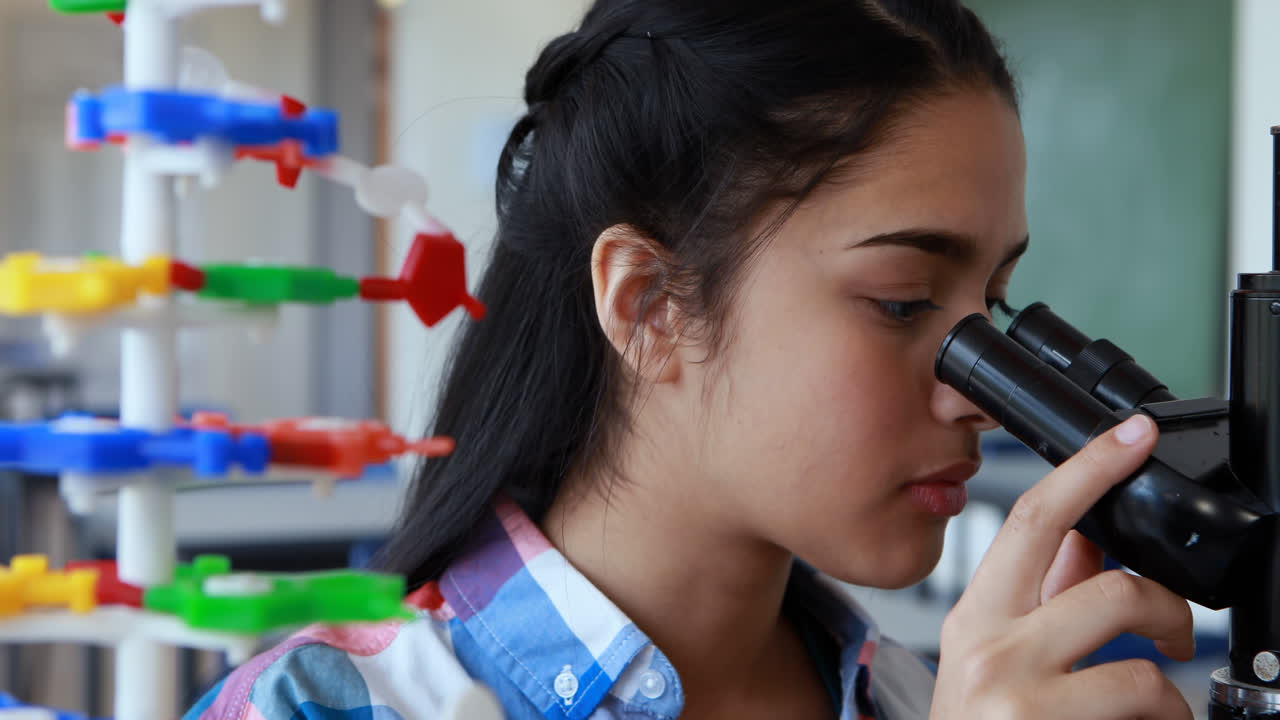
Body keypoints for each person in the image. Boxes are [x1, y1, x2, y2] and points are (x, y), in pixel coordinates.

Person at [186, 0, 1195, 718]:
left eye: (997, 307)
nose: (983, 399)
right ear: (648, 304)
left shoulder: (907, 697)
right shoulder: (321, 708)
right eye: (900, 301)